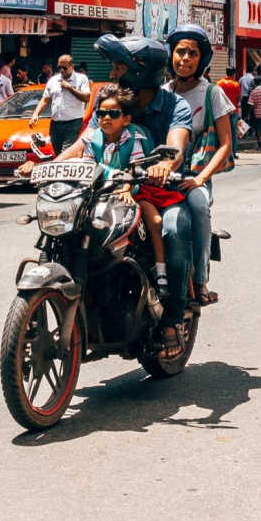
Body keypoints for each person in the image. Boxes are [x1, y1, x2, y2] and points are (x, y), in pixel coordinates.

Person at [93, 34, 194, 360]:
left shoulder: (174, 104)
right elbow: (85, 139)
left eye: (119, 68)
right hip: (110, 189)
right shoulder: (111, 103)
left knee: (174, 229)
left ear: (140, 71)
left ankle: (171, 318)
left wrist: (165, 165)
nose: (113, 74)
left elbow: (176, 146)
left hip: (162, 189)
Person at [51, 83, 169, 293]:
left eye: (113, 113)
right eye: (102, 113)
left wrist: (126, 188)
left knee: (155, 220)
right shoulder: (92, 138)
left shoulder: (135, 137)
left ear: (126, 118)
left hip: (134, 193)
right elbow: (86, 166)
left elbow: (137, 168)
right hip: (99, 196)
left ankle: (161, 273)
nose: (106, 118)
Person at [165, 24, 235, 307]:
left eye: (192, 53)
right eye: (180, 51)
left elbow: (225, 145)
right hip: (161, 175)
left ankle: (201, 279)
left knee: (198, 207)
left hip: (195, 175)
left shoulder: (212, 93)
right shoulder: (162, 92)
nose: (185, 58)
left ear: (201, 58)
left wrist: (200, 179)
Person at [29, 53, 90, 154]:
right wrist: (35, 114)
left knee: (66, 152)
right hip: (56, 124)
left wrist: (69, 87)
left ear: (72, 66)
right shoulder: (53, 80)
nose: (61, 70)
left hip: (73, 123)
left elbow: (86, 98)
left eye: (64, 68)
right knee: (57, 153)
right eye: (59, 67)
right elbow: (45, 100)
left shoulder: (81, 79)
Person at [218, 66, 242, 146]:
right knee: (233, 132)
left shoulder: (219, 83)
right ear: (234, 74)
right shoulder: (235, 84)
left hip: (222, 111)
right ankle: (233, 152)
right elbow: (239, 98)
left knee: (222, 131)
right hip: (233, 110)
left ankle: (223, 150)